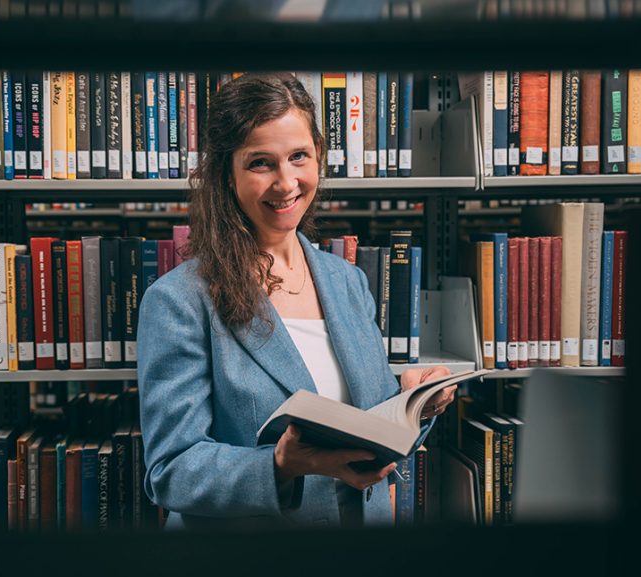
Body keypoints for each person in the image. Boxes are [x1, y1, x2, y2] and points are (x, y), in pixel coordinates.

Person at [137, 73, 457, 529]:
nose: (286, 183)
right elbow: (170, 472)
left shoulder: (346, 281)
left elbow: (366, 428)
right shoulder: (178, 301)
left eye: (299, 157)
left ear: (319, 158)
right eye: (261, 163)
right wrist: (279, 466)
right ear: (226, 174)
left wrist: (415, 402)